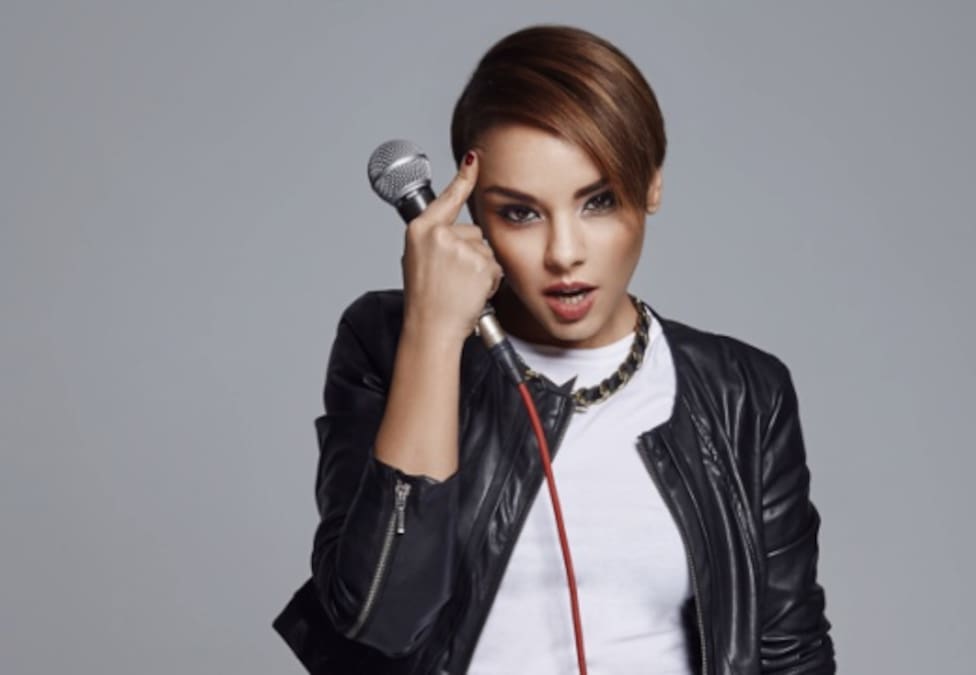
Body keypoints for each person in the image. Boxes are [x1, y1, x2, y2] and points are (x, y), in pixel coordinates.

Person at [273, 24, 835, 675]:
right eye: (520, 213)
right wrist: (433, 333)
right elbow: (381, 620)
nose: (564, 253)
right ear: (472, 214)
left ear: (652, 185)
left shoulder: (743, 392)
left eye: (598, 201)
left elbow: (791, 653)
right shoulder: (387, 342)